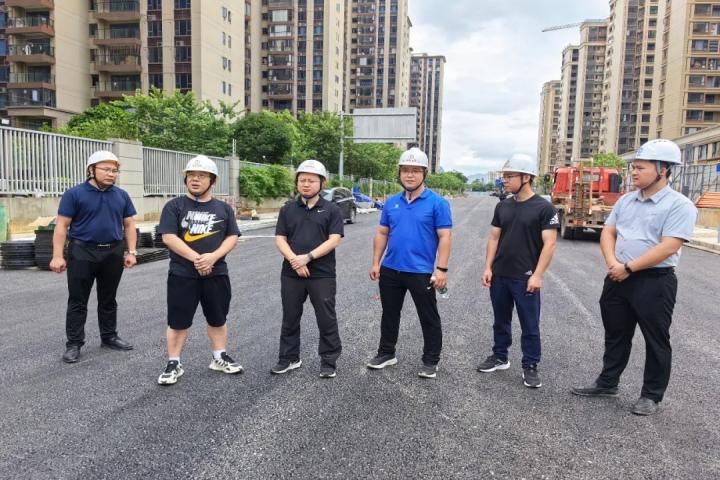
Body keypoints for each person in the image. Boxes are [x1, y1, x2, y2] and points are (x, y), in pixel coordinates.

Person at [571, 139, 697, 415]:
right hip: (617, 276)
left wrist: (628, 268)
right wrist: (613, 263)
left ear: (663, 169)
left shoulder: (679, 205)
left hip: (654, 281)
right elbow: (608, 232)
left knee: (656, 339)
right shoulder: (626, 200)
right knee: (616, 333)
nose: (634, 172)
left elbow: (669, 246)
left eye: (640, 168)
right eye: (633, 167)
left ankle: (651, 395)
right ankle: (607, 382)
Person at [156, 155, 243, 385]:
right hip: (182, 274)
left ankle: (219, 357)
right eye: (191, 175)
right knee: (178, 321)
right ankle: (173, 363)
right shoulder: (174, 206)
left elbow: (232, 237)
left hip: (216, 273)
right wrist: (198, 259)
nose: (195, 179)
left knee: (218, 318)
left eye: (202, 176)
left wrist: (212, 257)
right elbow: (168, 237)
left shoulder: (223, 208)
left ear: (212, 181)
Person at [367, 147, 452, 379]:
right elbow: (382, 233)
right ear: (400, 173)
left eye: (415, 170)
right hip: (390, 269)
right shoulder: (392, 202)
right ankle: (386, 353)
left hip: (421, 271)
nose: (410, 175)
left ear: (424, 173)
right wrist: (376, 262)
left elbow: (445, 237)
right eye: (405, 170)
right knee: (389, 313)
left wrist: (441, 269)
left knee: (428, 316)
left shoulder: (437, 203)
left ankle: (430, 361)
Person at [476, 154, 559, 388]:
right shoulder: (503, 206)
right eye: (504, 176)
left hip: (526, 277)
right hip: (500, 274)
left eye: (510, 176)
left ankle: (530, 365)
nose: (505, 180)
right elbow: (494, 238)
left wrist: (538, 275)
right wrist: (488, 267)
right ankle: (500, 356)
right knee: (500, 320)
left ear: (526, 177)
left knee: (529, 324)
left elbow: (550, 244)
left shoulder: (544, 208)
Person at [51, 150, 138, 363]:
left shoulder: (121, 195)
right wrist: (57, 256)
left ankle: (109, 337)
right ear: (91, 170)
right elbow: (62, 226)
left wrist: (131, 251)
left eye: (114, 170)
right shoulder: (74, 194)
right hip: (83, 251)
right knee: (78, 300)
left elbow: (129, 224)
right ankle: (74, 344)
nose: (111, 174)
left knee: (108, 298)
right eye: (106, 169)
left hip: (113, 252)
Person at [272, 160, 344, 378]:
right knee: (290, 317)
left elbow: (334, 239)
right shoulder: (288, 209)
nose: (306, 184)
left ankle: (329, 361)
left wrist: (308, 257)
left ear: (322, 183)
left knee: (326, 318)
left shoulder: (331, 209)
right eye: (302, 180)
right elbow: (280, 238)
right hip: (291, 273)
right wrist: (295, 260)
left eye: (311, 180)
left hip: (322, 274)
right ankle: (289, 358)